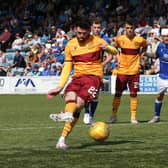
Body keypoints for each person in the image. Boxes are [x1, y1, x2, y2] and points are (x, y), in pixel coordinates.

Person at [47, 17, 117, 149]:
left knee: (79, 103)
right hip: (78, 77)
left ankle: (67, 116)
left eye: (84, 33)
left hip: (93, 77)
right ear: (75, 30)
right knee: (69, 98)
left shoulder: (97, 41)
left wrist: (107, 48)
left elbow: (115, 52)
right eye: (79, 33)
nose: (81, 36)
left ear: (89, 31)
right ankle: (62, 139)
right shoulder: (70, 44)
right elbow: (67, 66)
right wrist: (60, 86)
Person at [109, 19, 147, 124]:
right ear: (125, 29)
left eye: (131, 28)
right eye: (127, 28)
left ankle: (133, 117)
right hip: (122, 71)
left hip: (134, 71)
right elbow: (114, 48)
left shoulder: (140, 40)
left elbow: (145, 47)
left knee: (133, 94)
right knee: (117, 94)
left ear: (134, 28)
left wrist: (141, 56)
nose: (129, 30)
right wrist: (117, 57)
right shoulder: (120, 39)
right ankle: (113, 115)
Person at [83, 18, 104, 125]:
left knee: (95, 95)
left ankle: (91, 116)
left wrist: (102, 64)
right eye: (95, 27)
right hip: (86, 70)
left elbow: (110, 55)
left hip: (97, 71)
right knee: (87, 94)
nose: (97, 29)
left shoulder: (103, 41)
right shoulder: (87, 39)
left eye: (98, 27)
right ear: (91, 28)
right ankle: (86, 112)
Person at [148, 28, 168, 123]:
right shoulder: (160, 46)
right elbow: (155, 55)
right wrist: (147, 52)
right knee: (159, 96)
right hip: (161, 77)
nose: (166, 38)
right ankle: (156, 116)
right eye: (164, 36)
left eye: (167, 36)